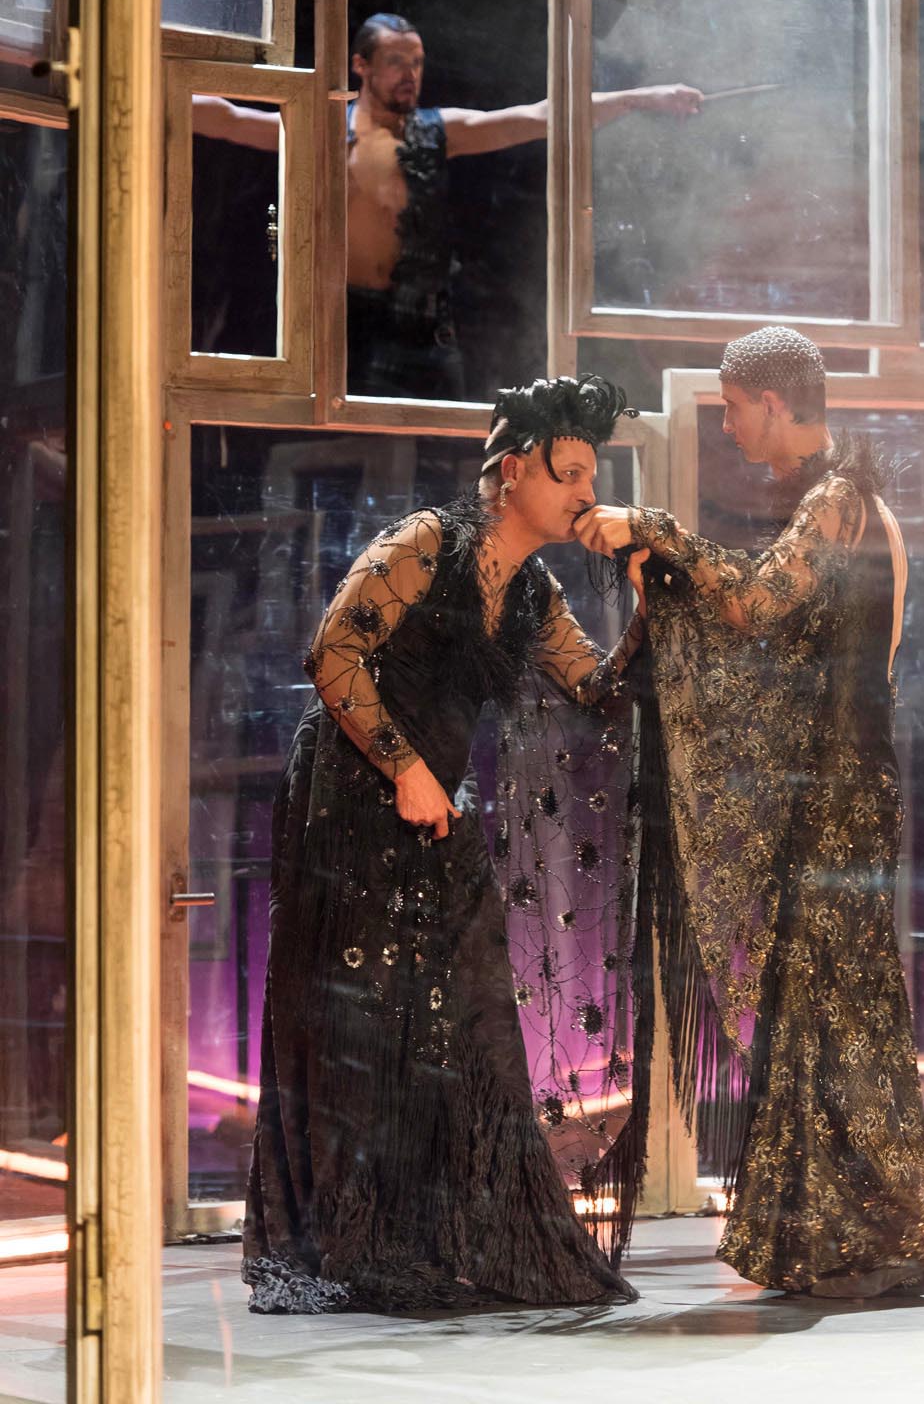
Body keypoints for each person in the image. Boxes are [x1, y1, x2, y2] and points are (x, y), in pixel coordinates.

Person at [242, 373, 650, 1315]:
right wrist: (405, 769)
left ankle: (457, 1238)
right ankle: (354, 1244)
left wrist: (646, 597)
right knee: (360, 1025)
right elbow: (331, 654)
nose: (587, 492)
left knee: (469, 1019)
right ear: (514, 472)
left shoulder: (535, 591)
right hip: (351, 799)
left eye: (592, 475)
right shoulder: (424, 543)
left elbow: (601, 691)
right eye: (571, 473)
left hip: (436, 811)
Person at [575, 326, 924, 1300]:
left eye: (734, 407)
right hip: (844, 789)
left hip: (841, 798)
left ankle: (869, 1233)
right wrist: (669, 587)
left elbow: (752, 605)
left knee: (833, 1014)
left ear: (775, 404)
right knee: (829, 1014)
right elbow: (787, 639)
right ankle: (849, 1232)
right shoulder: (848, 502)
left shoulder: (838, 500)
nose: (729, 425)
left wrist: (656, 531)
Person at [195, 13, 702, 398]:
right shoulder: (325, 130)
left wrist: (642, 97)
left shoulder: (438, 131)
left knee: (431, 447)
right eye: (396, 61)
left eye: (416, 62)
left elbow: (540, 116)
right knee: (332, 440)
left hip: (419, 322)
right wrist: (160, 81)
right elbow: (229, 119)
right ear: (361, 65)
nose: (410, 73)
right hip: (340, 318)